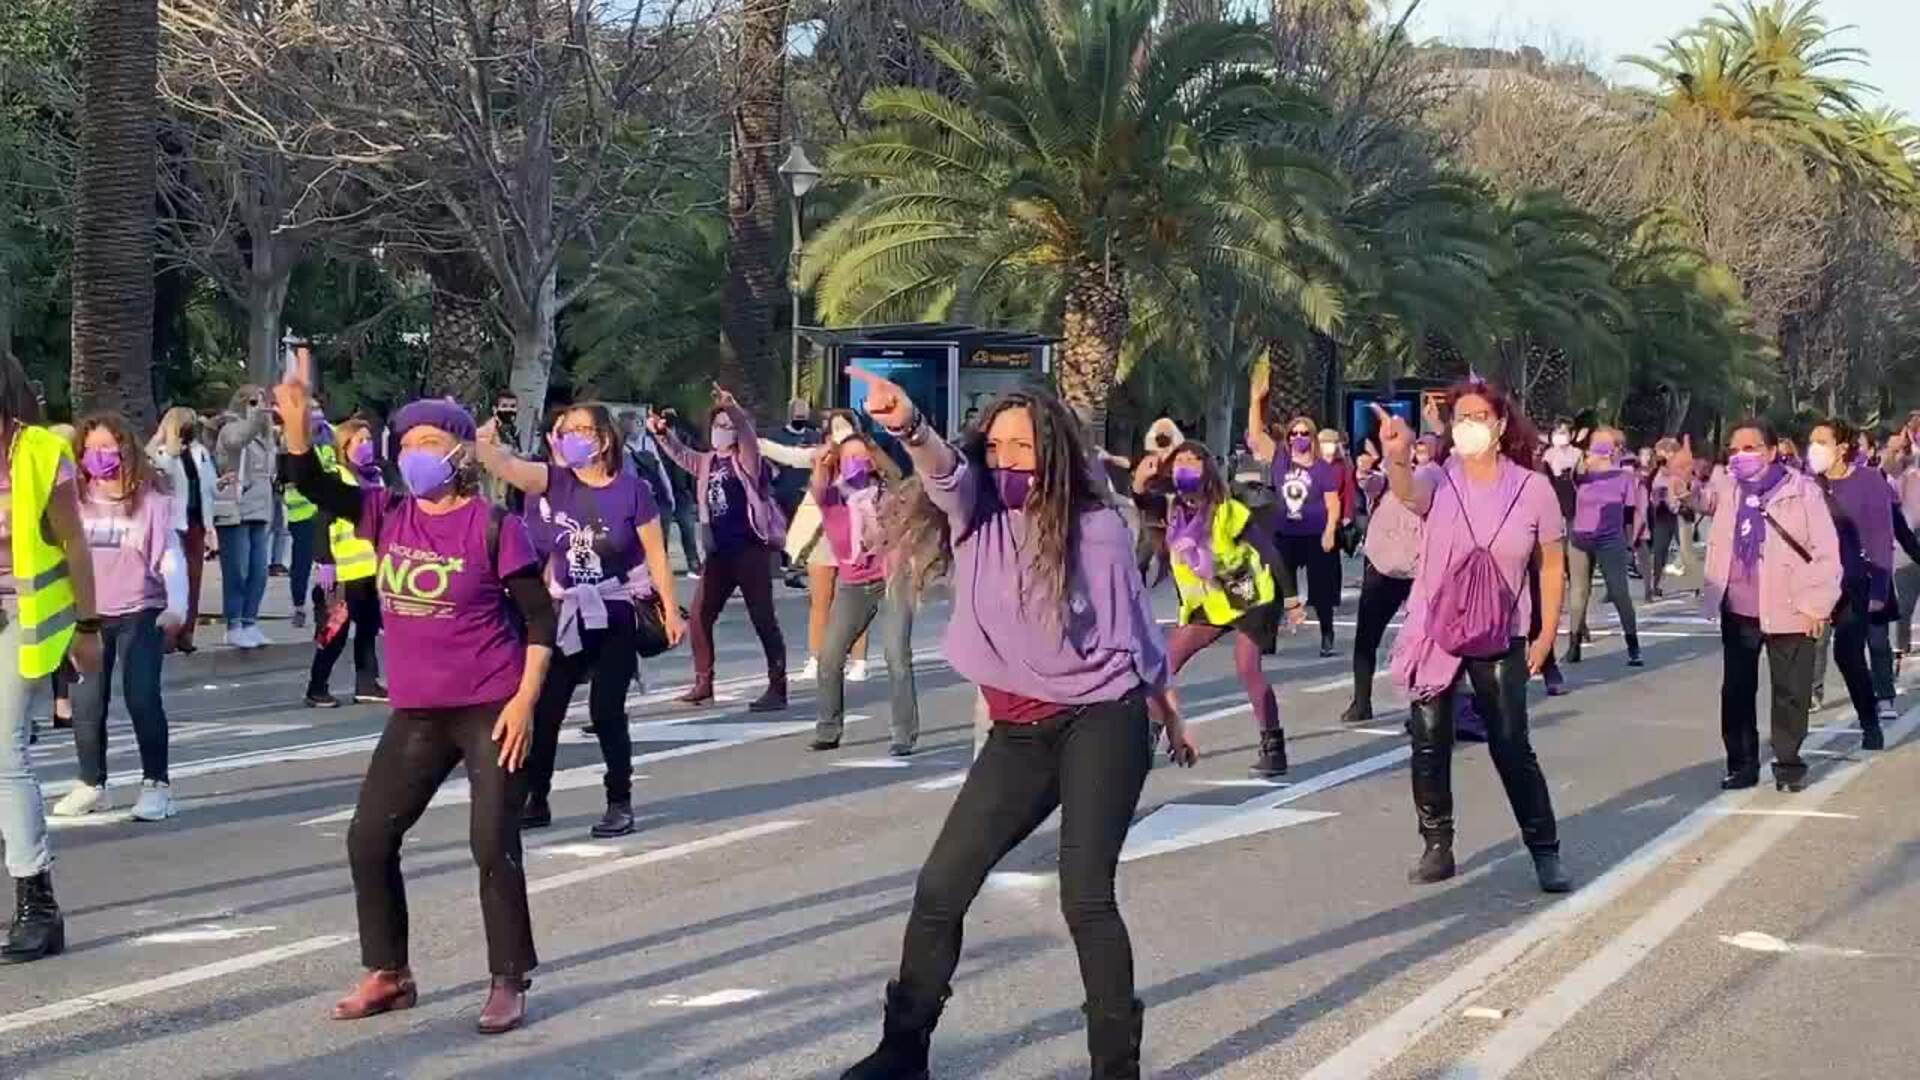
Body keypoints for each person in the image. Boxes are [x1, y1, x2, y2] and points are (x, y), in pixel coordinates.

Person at [837, 372, 1194, 1080]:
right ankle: (903, 1051)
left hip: (1102, 721)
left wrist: (1168, 713)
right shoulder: (976, 511)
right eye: (995, 445)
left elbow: (1135, 637)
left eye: (1021, 447)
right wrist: (909, 425)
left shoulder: (1097, 532)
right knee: (941, 887)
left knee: (1086, 896)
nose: (1005, 460)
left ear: (1054, 453)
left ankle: (1114, 1069)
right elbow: (941, 469)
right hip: (1017, 731)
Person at [278, 369, 557, 1035]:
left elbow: (541, 623)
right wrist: (295, 421)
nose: (416, 454)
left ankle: (507, 979)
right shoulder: (386, 513)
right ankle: (389, 972)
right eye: (408, 443)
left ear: (460, 453)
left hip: (491, 705)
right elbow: (313, 484)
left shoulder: (494, 528)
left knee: (491, 840)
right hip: (417, 710)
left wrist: (525, 703)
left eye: (431, 441)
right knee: (369, 836)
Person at [1378, 381, 1572, 893]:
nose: (1467, 426)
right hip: (1435, 627)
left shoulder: (1533, 490)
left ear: (1501, 424)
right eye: (1459, 417)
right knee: (1429, 738)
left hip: (1501, 630)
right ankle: (1436, 844)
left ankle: (1544, 850)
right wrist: (1396, 457)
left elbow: (1552, 566)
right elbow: (1407, 493)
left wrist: (1547, 632)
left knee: (1510, 742)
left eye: (1478, 416)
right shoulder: (1437, 480)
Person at [476, 402, 684, 838]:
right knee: (546, 708)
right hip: (566, 610)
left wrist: (670, 608)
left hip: (616, 609)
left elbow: (657, 556)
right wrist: (482, 440)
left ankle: (619, 801)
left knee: (606, 708)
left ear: (604, 438)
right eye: (566, 429)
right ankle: (537, 797)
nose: (572, 437)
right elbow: (507, 467)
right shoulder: (554, 480)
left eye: (582, 430)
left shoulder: (633, 490)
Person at [1, 353, 104, 964]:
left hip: (23, 616)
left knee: (5, 751)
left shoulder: (39, 451)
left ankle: (37, 903)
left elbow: (73, 541)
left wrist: (88, 625)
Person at [1671, 424, 1840, 793]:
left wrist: (1817, 606)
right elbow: (1700, 501)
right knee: (1736, 691)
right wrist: (1682, 478)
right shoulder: (1727, 485)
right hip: (1740, 608)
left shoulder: (1802, 490)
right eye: (1734, 450)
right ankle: (1742, 764)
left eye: (1750, 447)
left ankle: (1788, 763)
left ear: (1771, 450)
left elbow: (1826, 552)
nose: (1741, 456)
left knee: (1790, 692)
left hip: (1791, 607)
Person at [49, 415, 186, 822]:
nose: (99, 458)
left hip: (139, 611)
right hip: (89, 616)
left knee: (142, 696)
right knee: (87, 703)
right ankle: (92, 783)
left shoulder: (151, 501)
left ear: (126, 450)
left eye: (108, 448)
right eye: (91, 450)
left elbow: (170, 556)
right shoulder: (72, 498)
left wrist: (176, 606)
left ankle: (157, 785)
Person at [650, 386, 789, 711]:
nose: (721, 432)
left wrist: (735, 411)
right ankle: (703, 682)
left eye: (728, 427)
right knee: (699, 616)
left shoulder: (747, 460)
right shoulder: (708, 462)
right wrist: (662, 434)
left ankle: (778, 686)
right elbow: (681, 455)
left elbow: (749, 437)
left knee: (763, 618)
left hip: (750, 550)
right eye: (718, 425)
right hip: (719, 553)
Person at [1161, 442, 1290, 777]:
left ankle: (1274, 749)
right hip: (1213, 601)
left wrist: (1291, 598)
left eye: (1193, 461)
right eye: (1179, 462)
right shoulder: (1176, 512)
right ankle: (1150, 737)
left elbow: (1268, 552)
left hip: (1250, 596)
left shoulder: (1228, 509)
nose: (1185, 467)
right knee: (1163, 662)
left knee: (1247, 666)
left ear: (1207, 468)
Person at [805, 429, 919, 755]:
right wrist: (825, 458)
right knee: (829, 656)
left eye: (862, 456)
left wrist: (871, 447)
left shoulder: (886, 493)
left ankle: (903, 734)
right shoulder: (832, 498)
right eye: (849, 457)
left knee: (896, 655)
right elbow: (817, 484)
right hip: (854, 583)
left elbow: (898, 476)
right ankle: (828, 729)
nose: (856, 462)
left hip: (893, 576)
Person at [1808, 420, 1920, 746]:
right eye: (1812, 441)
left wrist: (1879, 589)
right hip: (1812, 585)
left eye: (1822, 441)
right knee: (1806, 653)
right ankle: (1791, 740)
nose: (1814, 447)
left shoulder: (1869, 481)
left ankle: (1869, 720)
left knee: (1848, 654)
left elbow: (1880, 537)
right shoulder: (1805, 483)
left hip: (1853, 584)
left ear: (1842, 446)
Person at [761, 412, 870, 683]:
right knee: (820, 602)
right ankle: (815, 658)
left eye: (843, 430)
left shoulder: (863, 457)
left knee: (854, 604)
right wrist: (754, 441)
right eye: (833, 430)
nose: (837, 437)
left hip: (854, 539)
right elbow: (787, 455)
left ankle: (858, 661)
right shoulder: (819, 456)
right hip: (821, 538)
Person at [1247, 368, 1342, 657]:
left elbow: (1332, 503)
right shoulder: (1280, 459)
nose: (1298, 437)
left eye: (1304, 433)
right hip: (1284, 535)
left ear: (1312, 438)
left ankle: (1327, 633)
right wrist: (1255, 400)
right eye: (1294, 433)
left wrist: (1329, 532)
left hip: (1315, 535)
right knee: (1274, 587)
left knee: (1322, 591)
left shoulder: (1323, 469)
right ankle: (1268, 639)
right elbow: (1256, 433)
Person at [305, 418, 388, 708]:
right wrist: (325, 561)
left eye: (369, 439)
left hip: (371, 570)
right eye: (360, 441)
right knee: (335, 633)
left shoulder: (376, 478)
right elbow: (322, 522)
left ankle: (367, 684)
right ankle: (317, 687)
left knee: (367, 630)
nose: (367, 445)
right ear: (345, 446)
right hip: (343, 572)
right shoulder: (339, 478)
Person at [1344, 439, 1425, 725]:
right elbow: (1368, 482)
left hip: (1421, 572)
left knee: (1423, 643)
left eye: (1422, 448)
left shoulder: (1431, 481)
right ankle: (1361, 701)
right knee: (1366, 637)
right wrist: (1365, 467)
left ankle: (1423, 707)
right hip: (1381, 568)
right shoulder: (1384, 480)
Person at [1564, 429, 1645, 667]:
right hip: (1580, 537)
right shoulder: (1583, 474)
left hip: (1611, 539)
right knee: (1578, 592)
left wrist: (1630, 544)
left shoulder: (1624, 477)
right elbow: (1575, 472)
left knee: (1619, 592)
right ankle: (1574, 645)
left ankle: (1633, 646)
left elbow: (1629, 514)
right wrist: (1581, 445)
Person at [148, 407, 218, 654]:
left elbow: (208, 486)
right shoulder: (161, 453)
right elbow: (155, 475)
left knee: (194, 579)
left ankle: (187, 632)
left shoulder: (200, 452)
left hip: (196, 521)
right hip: (173, 522)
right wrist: (163, 440)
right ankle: (169, 633)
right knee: (173, 579)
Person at [214, 385, 277, 648]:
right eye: (253, 402)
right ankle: (234, 623)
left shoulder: (267, 435)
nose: (260, 408)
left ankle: (250, 621)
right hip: (235, 509)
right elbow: (237, 440)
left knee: (259, 571)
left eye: (263, 402)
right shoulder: (231, 427)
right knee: (237, 570)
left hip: (260, 510)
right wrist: (255, 418)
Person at [1130, 418, 1183, 588]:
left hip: (1177, 523)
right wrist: (1140, 482)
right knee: (1143, 554)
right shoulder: (1149, 465)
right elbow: (1139, 498)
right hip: (1153, 523)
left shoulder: (1181, 463)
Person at [656, 407, 704, 577]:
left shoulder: (685, 437)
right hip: (662, 490)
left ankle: (693, 563)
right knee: (663, 531)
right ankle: (662, 567)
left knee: (688, 529)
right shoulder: (654, 439)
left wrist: (694, 491)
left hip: (681, 490)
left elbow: (693, 462)